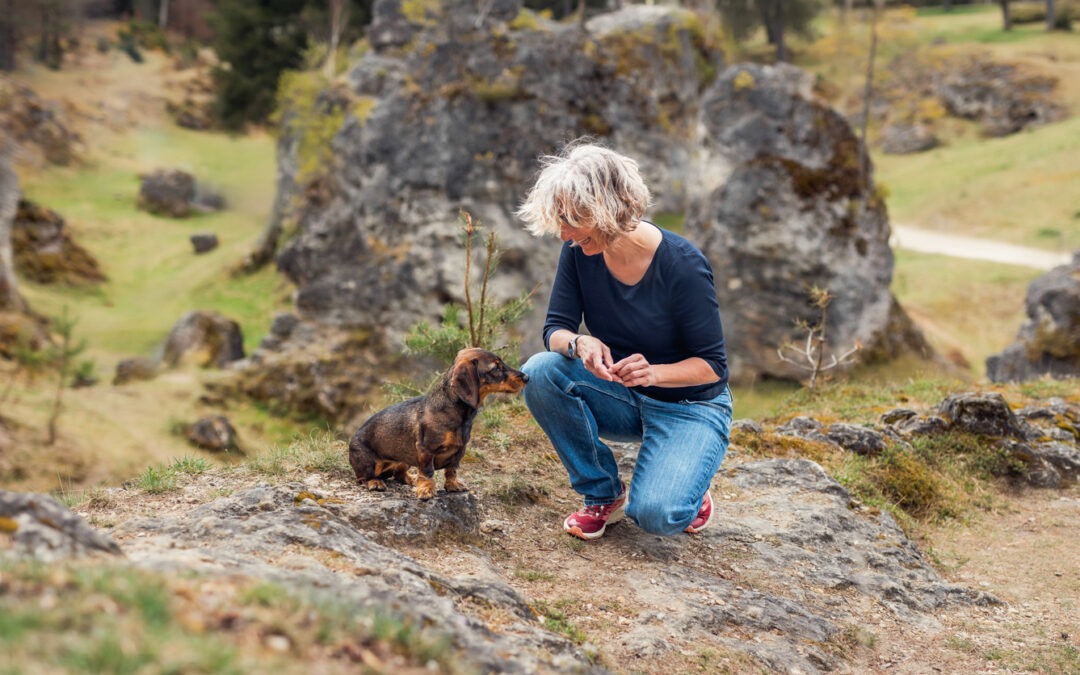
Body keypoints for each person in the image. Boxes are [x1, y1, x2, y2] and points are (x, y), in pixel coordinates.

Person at [516, 141, 732, 541]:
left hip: (690, 406)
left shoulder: (682, 265)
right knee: (540, 372)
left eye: (571, 218)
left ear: (608, 208)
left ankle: (690, 483)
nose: (563, 232)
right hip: (622, 395)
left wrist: (653, 373)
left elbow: (712, 366)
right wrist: (578, 344)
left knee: (657, 516)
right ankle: (602, 494)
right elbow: (555, 329)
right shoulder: (579, 251)